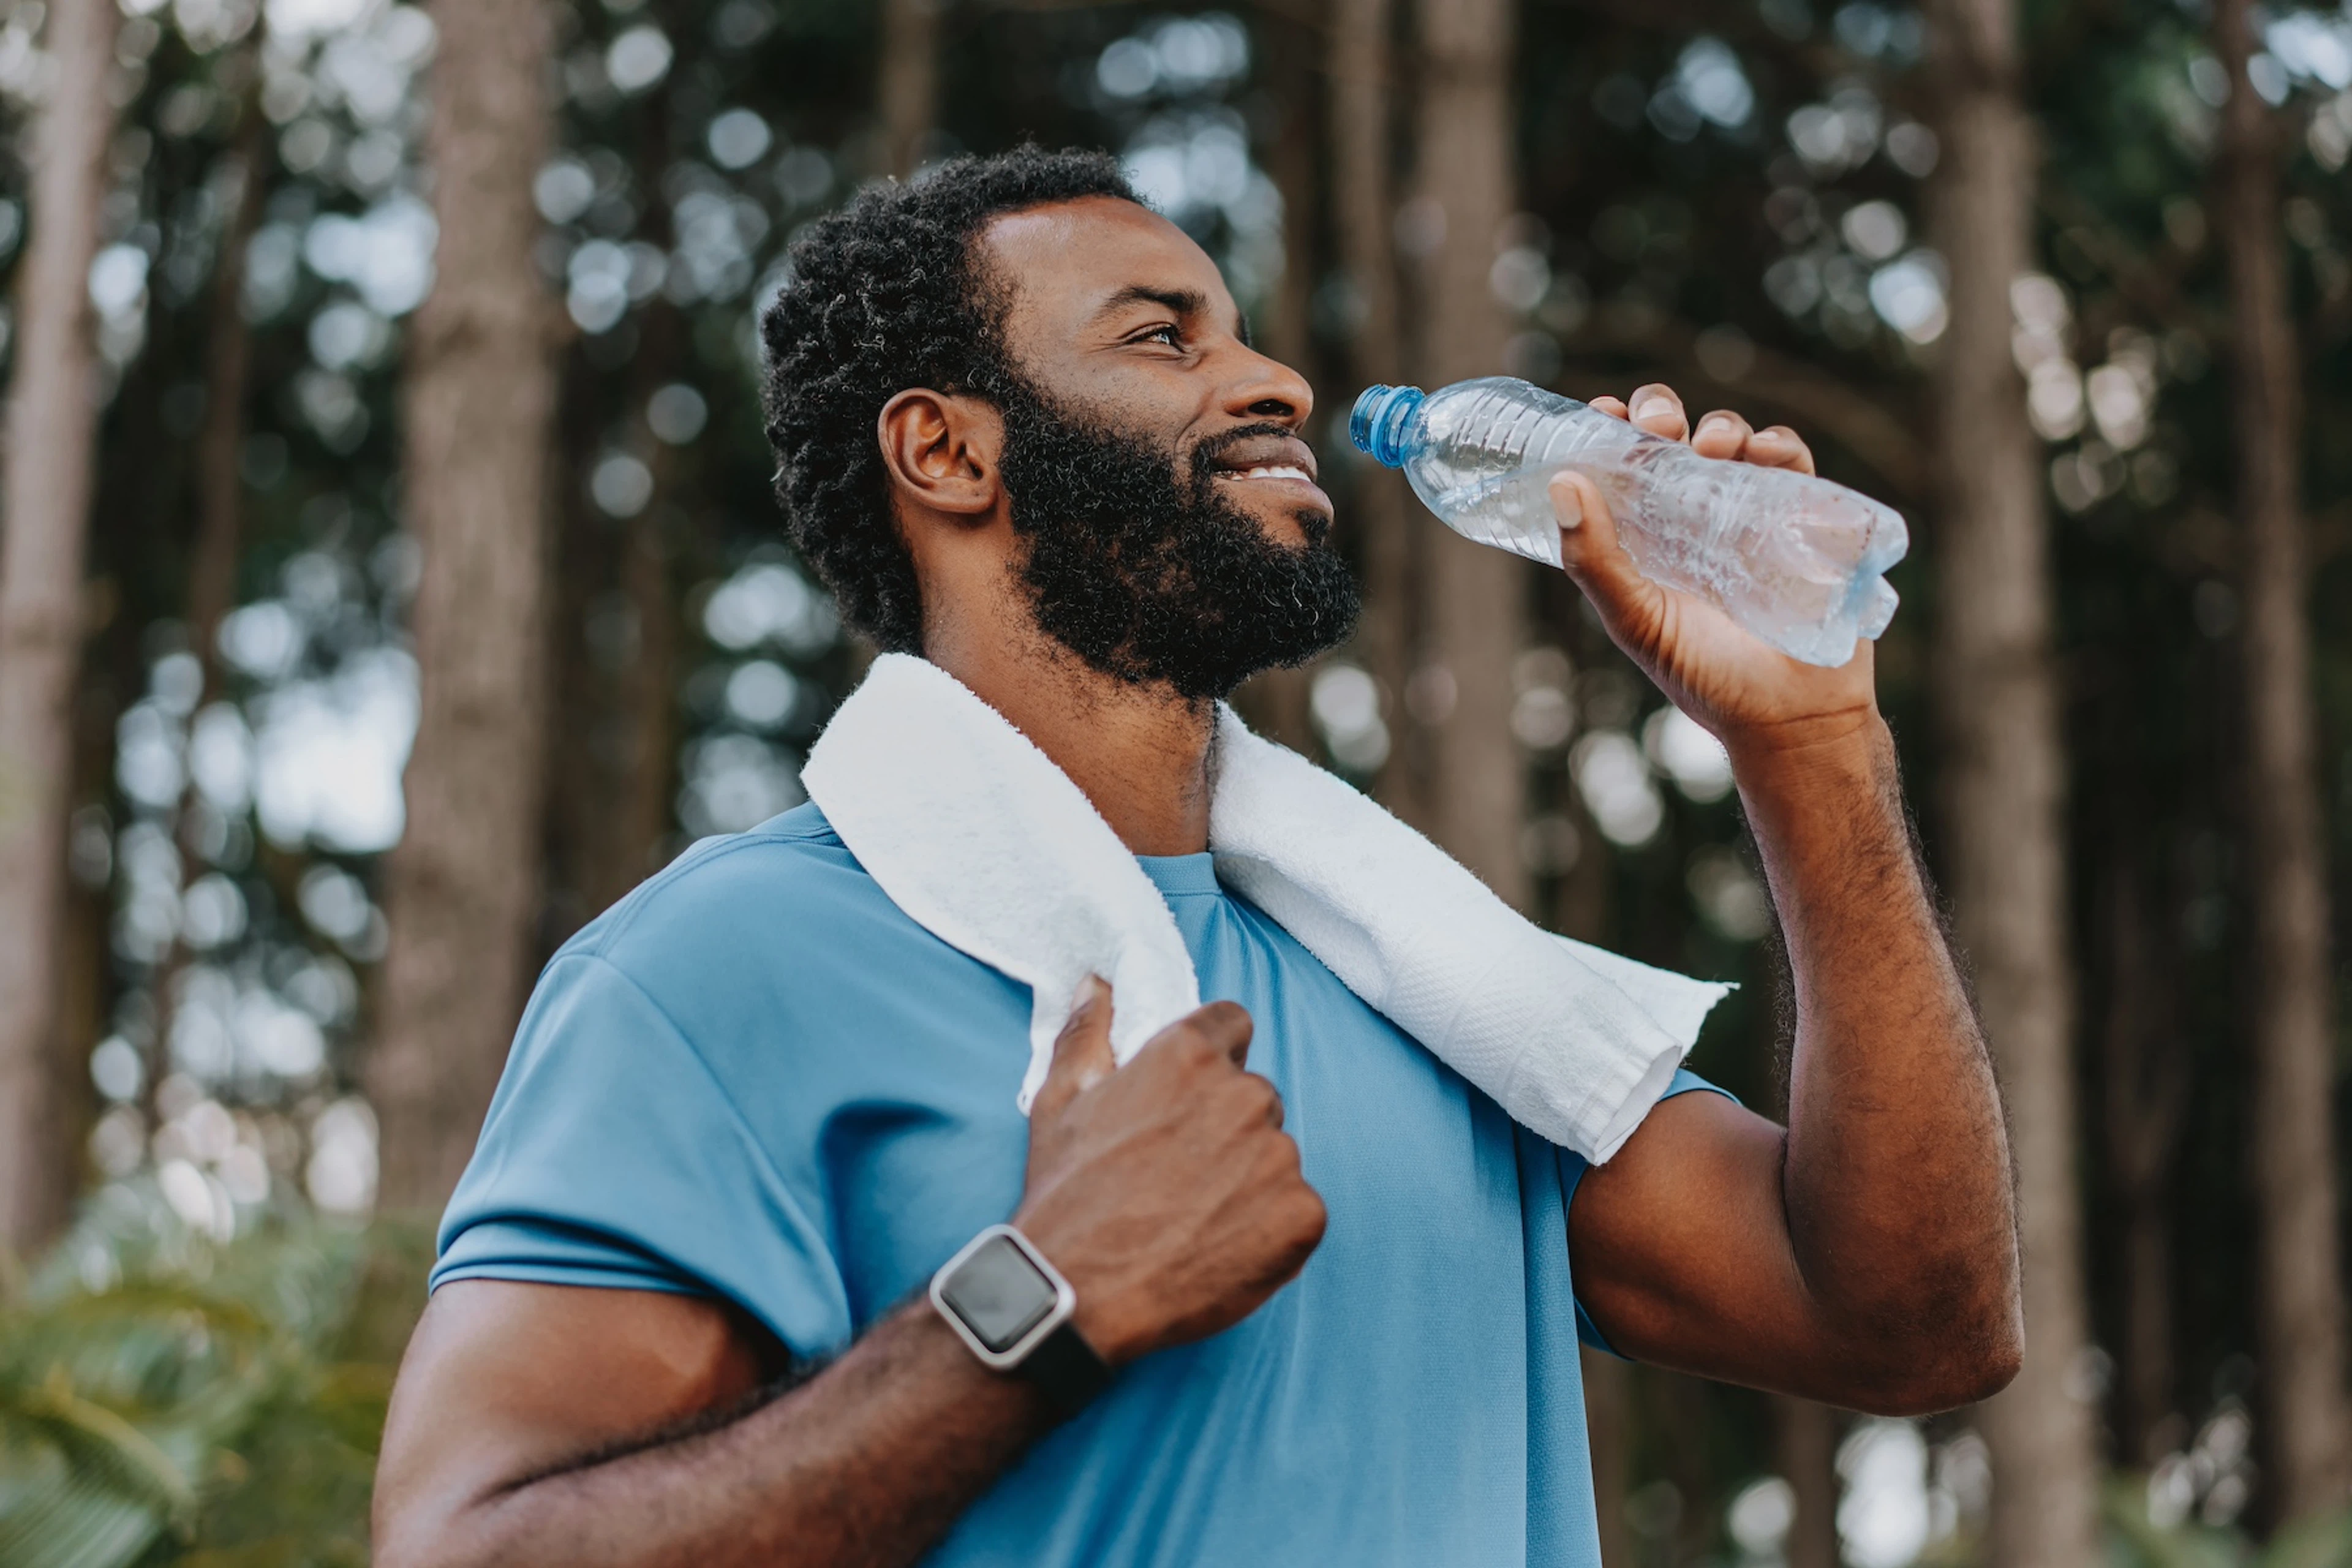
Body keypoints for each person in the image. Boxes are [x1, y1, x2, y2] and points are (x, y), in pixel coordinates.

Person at [371, 147, 2020, 1567]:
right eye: (1164, 337)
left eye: (1239, 328)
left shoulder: (1431, 978)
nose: (1277, 383)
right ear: (949, 452)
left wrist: (1814, 757)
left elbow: (1914, 1324)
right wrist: (1033, 1305)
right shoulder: (718, 974)